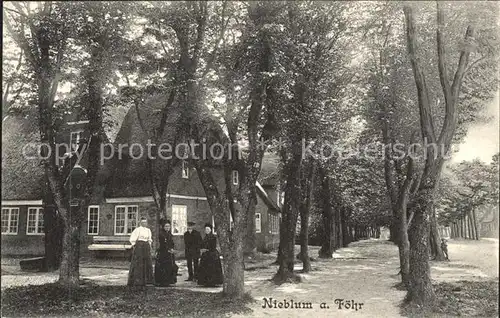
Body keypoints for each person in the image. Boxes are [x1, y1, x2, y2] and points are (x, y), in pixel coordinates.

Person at [127, 217, 154, 287]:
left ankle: (148, 280)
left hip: (146, 246)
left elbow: (149, 239)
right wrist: (134, 245)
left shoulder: (148, 230)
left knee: (147, 262)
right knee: (139, 263)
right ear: (140, 223)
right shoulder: (137, 230)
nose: (144, 224)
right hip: (139, 247)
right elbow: (132, 239)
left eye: (145, 222)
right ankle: (138, 280)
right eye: (143, 222)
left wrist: (149, 245)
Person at [154, 219, 178, 287]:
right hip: (164, 253)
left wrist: (172, 249)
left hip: (170, 253)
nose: (167, 228)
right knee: (164, 267)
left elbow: (172, 243)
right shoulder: (161, 234)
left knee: (170, 266)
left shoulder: (170, 234)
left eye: (169, 226)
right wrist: (168, 249)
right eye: (166, 226)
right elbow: (163, 244)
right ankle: (163, 281)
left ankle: (169, 280)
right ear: (163, 227)